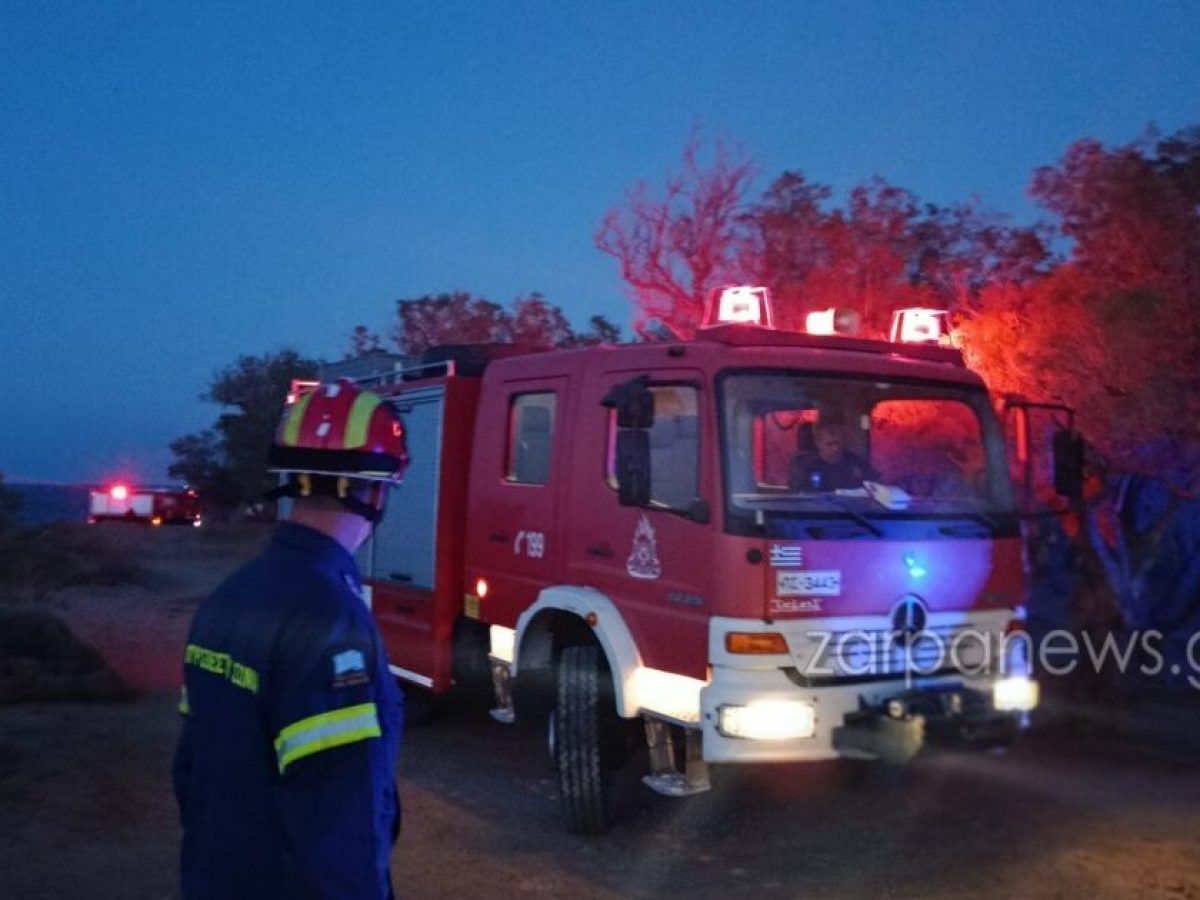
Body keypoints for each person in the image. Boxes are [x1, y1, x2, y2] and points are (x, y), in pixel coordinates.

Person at [173, 379, 409, 899]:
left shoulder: (228, 598)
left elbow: (191, 772)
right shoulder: (332, 621)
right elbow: (339, 823)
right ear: (376, 490)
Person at [791, 421, 878, 491]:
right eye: (830, 444)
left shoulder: (856, 462)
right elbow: (799, 495)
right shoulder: (806, 466)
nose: (836, 448)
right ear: (818, 443)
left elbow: (876, 486)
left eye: (838, 443)